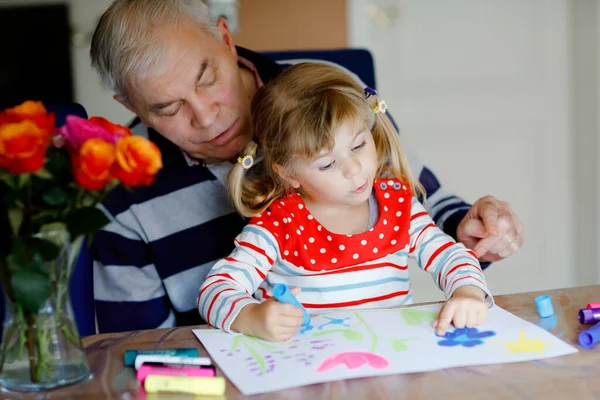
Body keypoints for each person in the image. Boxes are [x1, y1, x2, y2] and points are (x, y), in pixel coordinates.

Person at [89, 0, 521, 333]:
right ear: (131, 107)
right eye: (168, 107)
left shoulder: (325, 93)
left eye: (206, 79)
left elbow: (425, 209)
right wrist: (250, 319)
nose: (206, 117)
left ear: (225, 38)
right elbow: (138, 349)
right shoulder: (121, 192)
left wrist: (474, 233)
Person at [199, 63, 493, 341]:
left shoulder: (398, 205)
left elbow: (449, 256)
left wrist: (467, 291)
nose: (354, 169)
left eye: (358, 145)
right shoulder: (279, 226)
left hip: (391, 365)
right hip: (310, 376)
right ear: (289, 172)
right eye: (327, 164)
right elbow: (215, 290)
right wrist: (251, 316)